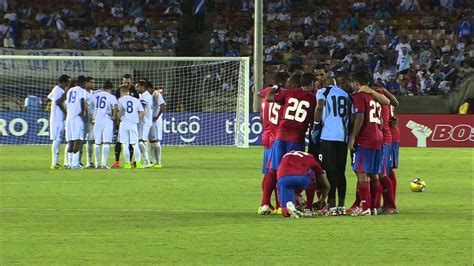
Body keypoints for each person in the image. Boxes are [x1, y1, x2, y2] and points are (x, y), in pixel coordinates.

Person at [265, 72, 317, 207]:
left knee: (273, 169)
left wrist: (276, 86)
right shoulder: (313, 98)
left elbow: (269, 97)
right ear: (312, 84)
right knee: (295, 170)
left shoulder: (290, 93)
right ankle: (294, 202)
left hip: (281, 135)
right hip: (297, 138)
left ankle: (266, 203)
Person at [347, 71, 390, 216]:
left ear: (357, 83)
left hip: (366, 137)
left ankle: (365, 207)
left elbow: (359, 117)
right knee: (373, 173)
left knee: (361, 172)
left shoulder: (359, 96)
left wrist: (352, 137)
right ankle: (373, 207)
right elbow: (387, 103)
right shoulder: (374, 97)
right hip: (378, 136)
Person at [312, 73, 352, 215]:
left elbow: (320, 106)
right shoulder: (346, 94)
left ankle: (331, 204)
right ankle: (341, 205)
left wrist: (316, 125)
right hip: (343, 137)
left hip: (328, 136)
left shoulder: (323, 92)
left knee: (330, 171)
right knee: (341, 172)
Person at [257, 71, 288, 215]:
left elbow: (258, 93)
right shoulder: (283, 95)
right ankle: (278, 204)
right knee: (277, 172)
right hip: (277, 137)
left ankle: (265, 203)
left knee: (269, 172)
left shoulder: (267, 93)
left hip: (266, 136)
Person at [277, 151, 330, 218]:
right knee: (312, 175)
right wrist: (321, 201)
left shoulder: (285, 156)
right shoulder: (311, 158)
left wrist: (299, 198)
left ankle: (289, 209)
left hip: (283, 178)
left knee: (285, 209)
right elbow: (326, 185)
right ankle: (309, 208)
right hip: (301, 177)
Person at [374, 87, 399, 214]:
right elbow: (395, 103)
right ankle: (385, 203)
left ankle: (389, 204)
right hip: (389, 135)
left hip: (387, 136)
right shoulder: (383, 97)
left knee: (384, 172)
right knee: (386, 171)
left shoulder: (378, 97)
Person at [91, 80, 118, 169]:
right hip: (107, 120)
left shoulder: (95, 95)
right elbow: (115, 107)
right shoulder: (112, 97)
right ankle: (103, 164)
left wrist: (91, 117)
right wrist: (114, 118)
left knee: (97, 142)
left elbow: (89, 106)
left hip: (97, 120)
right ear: (110, 88)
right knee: (106, 142)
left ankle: (96, 164)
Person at [113, 74, 137, 168]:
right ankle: (117, 161)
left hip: (131, 121)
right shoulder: (119, 91)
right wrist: (117, 120)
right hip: (122, 121)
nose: (126, 84)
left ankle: (129, 161)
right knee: (119, 141)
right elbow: (116, 106)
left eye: (128, 82)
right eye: (124, 82)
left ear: (131, 81)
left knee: (131, 142)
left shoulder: (135, 91)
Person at [117, 85, 145, 169]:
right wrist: (135, 118)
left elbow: (119, 112)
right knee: (135, 144)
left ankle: (127, 164)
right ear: (128, 92)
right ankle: (138, 163)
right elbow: (143, 113)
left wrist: (120, 118)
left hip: (124, 123)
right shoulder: (136, 100)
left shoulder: (120, 100)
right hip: (133, 124)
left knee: (125, 144)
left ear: (121, 93)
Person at [47, 74, 71, 169]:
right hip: (57, 119)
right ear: (63, 82)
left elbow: (50, 98)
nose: (69, 83)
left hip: (60, 119)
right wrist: (65, 113)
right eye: (68, 81)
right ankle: (54, 162)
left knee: (61, 139)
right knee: (57, 139)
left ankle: (59, 162)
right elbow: (58, 102)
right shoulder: (57, 89)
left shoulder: (58, 90)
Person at [65, 76, 88, 170]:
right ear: (83, 83)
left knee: (70, 141)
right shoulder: (82, 91)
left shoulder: (70, 90)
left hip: (69, 117)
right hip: (77, 117)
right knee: (77, 140)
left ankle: (69, 163)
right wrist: (83, 113)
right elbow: (82, 101)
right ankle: (75, 163)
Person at [148, 82, 166, 168]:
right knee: (152, 141)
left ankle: (158, 161)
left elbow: (163, 105)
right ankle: (153, 160)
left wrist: (157, 116)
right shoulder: (147, 95)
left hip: (156, 121)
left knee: (155, 141)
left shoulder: (156, 94)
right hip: (150, 120)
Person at [136, 80, 153, 168]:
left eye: (138, 86)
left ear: (142, 87)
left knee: (140, 142)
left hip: (145, 122)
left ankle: (147, 161)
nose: (136, 88)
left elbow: (141, 109)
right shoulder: (144, 95)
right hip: (144, 122)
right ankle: (146, 160)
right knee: (142, 142)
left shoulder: (145, 97)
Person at [82, 77, 96, 168]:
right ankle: (76, 161)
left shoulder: (94, 94)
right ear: (86, 83)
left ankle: (89, 161)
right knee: (79, 141)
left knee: (90, 140)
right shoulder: (82, 92)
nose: (92, 84)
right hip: (82, 120)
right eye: (91, 82)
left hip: (91, 121)